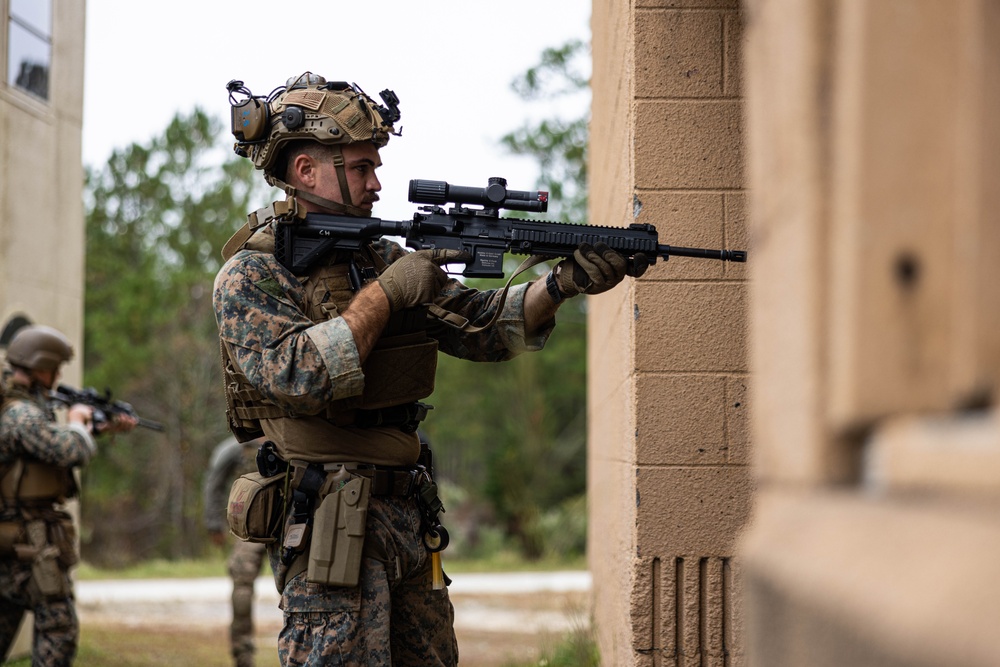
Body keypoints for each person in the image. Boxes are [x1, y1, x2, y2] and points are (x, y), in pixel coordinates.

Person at [213, 72, 646, 667]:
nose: (376, 182)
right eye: (361, 167)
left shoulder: (387, 258)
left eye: (376, 166)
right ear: (307, 170)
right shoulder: (252, 275)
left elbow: (486, 327)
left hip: (408, 511)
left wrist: (561, 284)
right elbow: (300, 376)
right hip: (329, 516)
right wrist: (388, 294)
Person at [0, 325, 137, 665]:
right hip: (28, 540)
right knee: (58, 631)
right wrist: (78, 422)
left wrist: (99, 427)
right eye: (54, 366)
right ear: (37, 365)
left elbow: (44, 450)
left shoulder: (21, 406)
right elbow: (67, 450)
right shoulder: (20, 413)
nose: (59, 374)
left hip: (15, 539)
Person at [203, 435, 268, 667]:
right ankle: (243, 654)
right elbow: (214, 481)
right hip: (251, 529)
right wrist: (213, 523)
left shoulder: (290, 438)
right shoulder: (237, 448)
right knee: (242, 585)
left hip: (291, 525)